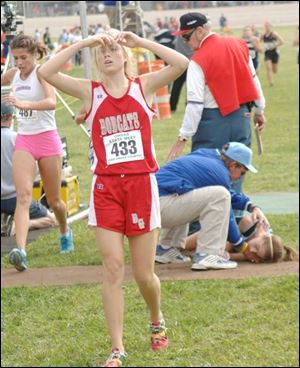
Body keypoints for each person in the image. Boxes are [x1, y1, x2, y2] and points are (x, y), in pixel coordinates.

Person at [39, 28, 189, 367]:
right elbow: (46, 72)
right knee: (112, 268)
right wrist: (85, 42)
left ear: (124, 58)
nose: (106, 54)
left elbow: (180, 63)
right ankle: (117, 348)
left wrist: (138, 42)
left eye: (111, 50)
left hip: (140, 187)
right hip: (106, 188)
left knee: (143, 275)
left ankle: (155, 316)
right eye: (100, 52)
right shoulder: (89, 93)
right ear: (95, 62)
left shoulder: (143, 87)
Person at [168, 12, 266, 199]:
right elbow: (255, 81)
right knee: (236, 174)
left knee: (205, 180)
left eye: (186, 36)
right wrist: (260, 110)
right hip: (242, 118)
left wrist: (183, 137)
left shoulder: (198, 60)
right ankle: (235, 220)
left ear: (199, 31)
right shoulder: (239, 44)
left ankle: (204, 226)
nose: (185, 41)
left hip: (211, 124)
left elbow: (195, 104)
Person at [1, 34, 74, 272]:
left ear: (34, 55)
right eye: (16, 58)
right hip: (24, 139)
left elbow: (51, 102)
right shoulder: (12, 74)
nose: (19, 63)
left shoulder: (42, 73)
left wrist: (24, 105)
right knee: (23, 197)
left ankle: (64, 229)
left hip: (47, 139)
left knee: (54, 200)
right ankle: (20, 251)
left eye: (23, 58)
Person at [155, 142, 270, 271]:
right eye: (242, 172)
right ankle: (208, 255)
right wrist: (242, 246)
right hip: (159, 207)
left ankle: (165, 249)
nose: (240, 178)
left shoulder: (209, 156)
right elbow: (227, 212)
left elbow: (227, 194)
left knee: (188, 191)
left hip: (153, 204)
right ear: (233, 165)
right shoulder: (219, 172)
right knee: (221, 196)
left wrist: (251, 206)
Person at [1, 101, 57, 235]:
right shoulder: (17, 139)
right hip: (16, 197)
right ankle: (20, 224)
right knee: (52, 220)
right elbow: (34, 169)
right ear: (10, 117)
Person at [184, 215, 299, 264]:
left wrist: (227, 256)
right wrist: (220, 253)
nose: (252, 250)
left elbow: (234, 255)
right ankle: (178, 246)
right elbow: (230, 241)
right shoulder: (249, 224)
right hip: (215, 227)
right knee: (213, 238)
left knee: (204, 253)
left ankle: (184, 251)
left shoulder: (261, 251)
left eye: (257, 254)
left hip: (224, 242)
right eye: (256, 246)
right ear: (263, 236)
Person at [169, 35, 194, 112]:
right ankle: (189, 106)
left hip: (179, 63)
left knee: (177, 85)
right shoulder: (191, 34)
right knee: (190, 87)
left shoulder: (179, 35)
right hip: (190, 62)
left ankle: (172, 106)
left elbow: (174, 44)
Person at [260, 21, 284, 87]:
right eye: (266, 26)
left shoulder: (274, 34)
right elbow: (258, 41)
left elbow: (282, 41)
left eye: (268, 26)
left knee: (274, 70)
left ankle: (274, 70)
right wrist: (260, 48)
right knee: (268, 68)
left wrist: (273, 46)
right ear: (264, 27)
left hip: (275, 52)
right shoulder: (263, 35)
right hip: (267, 53)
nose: (267, 27)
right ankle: (271, 83)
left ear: (271, 27)